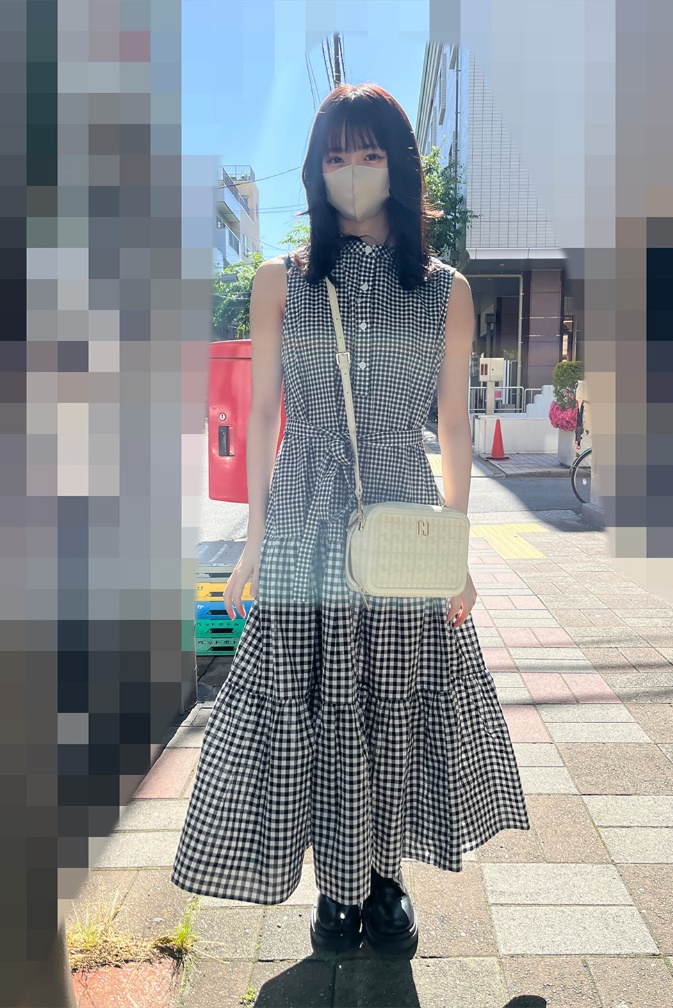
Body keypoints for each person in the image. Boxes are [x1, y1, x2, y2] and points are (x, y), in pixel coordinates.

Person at [171, 83, 530, 957]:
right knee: (312, 699)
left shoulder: (445, 290)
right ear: (315, 170)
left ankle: (384, 877)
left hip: (401, 513)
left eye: (370, 154)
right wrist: (254, 542)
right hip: (303, 512)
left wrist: (454, 551)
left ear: (400, 165)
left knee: (390, 702)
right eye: (336, 156)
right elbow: (265, 414)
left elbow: (453, 426)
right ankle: (336, 886)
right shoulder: (280, 281)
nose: (353, 171)